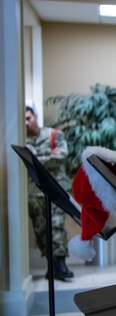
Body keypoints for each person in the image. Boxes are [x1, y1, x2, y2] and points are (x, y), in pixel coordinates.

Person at [24, 105, 74, 281]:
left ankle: (61, 264)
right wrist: (47, 156)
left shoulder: (54, 135)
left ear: (35, 116)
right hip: (34, 192)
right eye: (23, 119)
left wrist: (37, 158)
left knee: (57, 225)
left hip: (56, 189)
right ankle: (50, 265)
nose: (26, 122)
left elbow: (61, 156)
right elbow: (25, 162)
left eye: (28, 118)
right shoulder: (22, 142)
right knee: (41, 230)